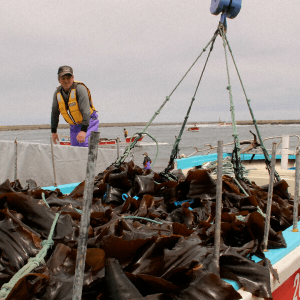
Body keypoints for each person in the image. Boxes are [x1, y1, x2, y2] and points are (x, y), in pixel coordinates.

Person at [51, 66, 99, 147]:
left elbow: (86, 111)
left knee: (85, 145)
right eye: (63, 78)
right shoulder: (57, 93)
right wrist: (53, 132)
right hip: (74, 125)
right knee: (75, 148)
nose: (66, 81)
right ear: (59, 80)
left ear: (73, 78)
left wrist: (83, 131)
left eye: (68, 78)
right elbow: (55, 113)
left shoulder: (80, 89)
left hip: (89, 121)